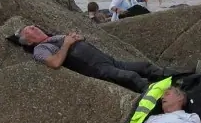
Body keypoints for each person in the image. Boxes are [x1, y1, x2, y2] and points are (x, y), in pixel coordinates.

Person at [15, 25, 164, 93]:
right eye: (30, 30)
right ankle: (157, 97)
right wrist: (67, 44)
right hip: (97, 68)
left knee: (144, 66)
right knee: (131, 76)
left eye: (34, 26)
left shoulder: (55, 36)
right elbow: (54, 63)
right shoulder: (40, 49)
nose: (35, 28)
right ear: (29, 41)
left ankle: (175, 76)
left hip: (108, 60)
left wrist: (79, 38)